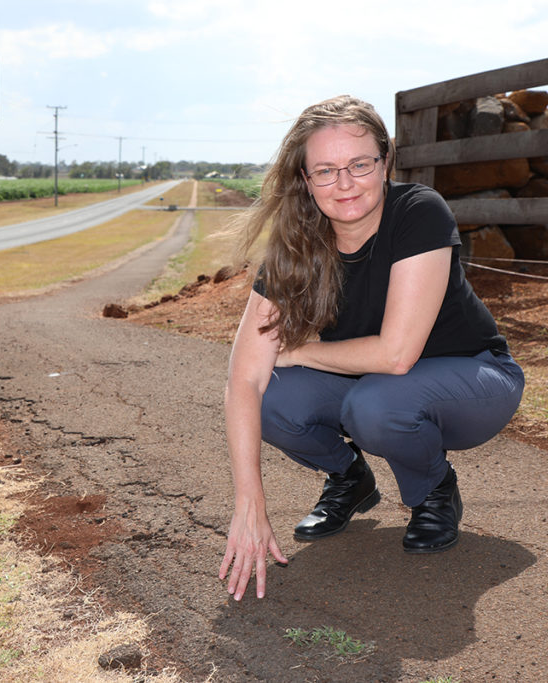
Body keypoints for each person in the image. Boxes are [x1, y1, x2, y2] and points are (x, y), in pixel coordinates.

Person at [218, 95, 525, 602]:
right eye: (325, 170)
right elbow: (243, 380)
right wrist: (249, 502)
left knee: (376, 402)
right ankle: (349, 477)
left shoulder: (418, 212)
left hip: (473, 380)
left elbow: (396, 356)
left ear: (385, 162)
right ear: (304, 178)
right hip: (372, 383)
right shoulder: (294, 245)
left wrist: (298, 353)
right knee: (271, 398)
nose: (344, 184)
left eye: (360, 164)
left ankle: (432, 489)